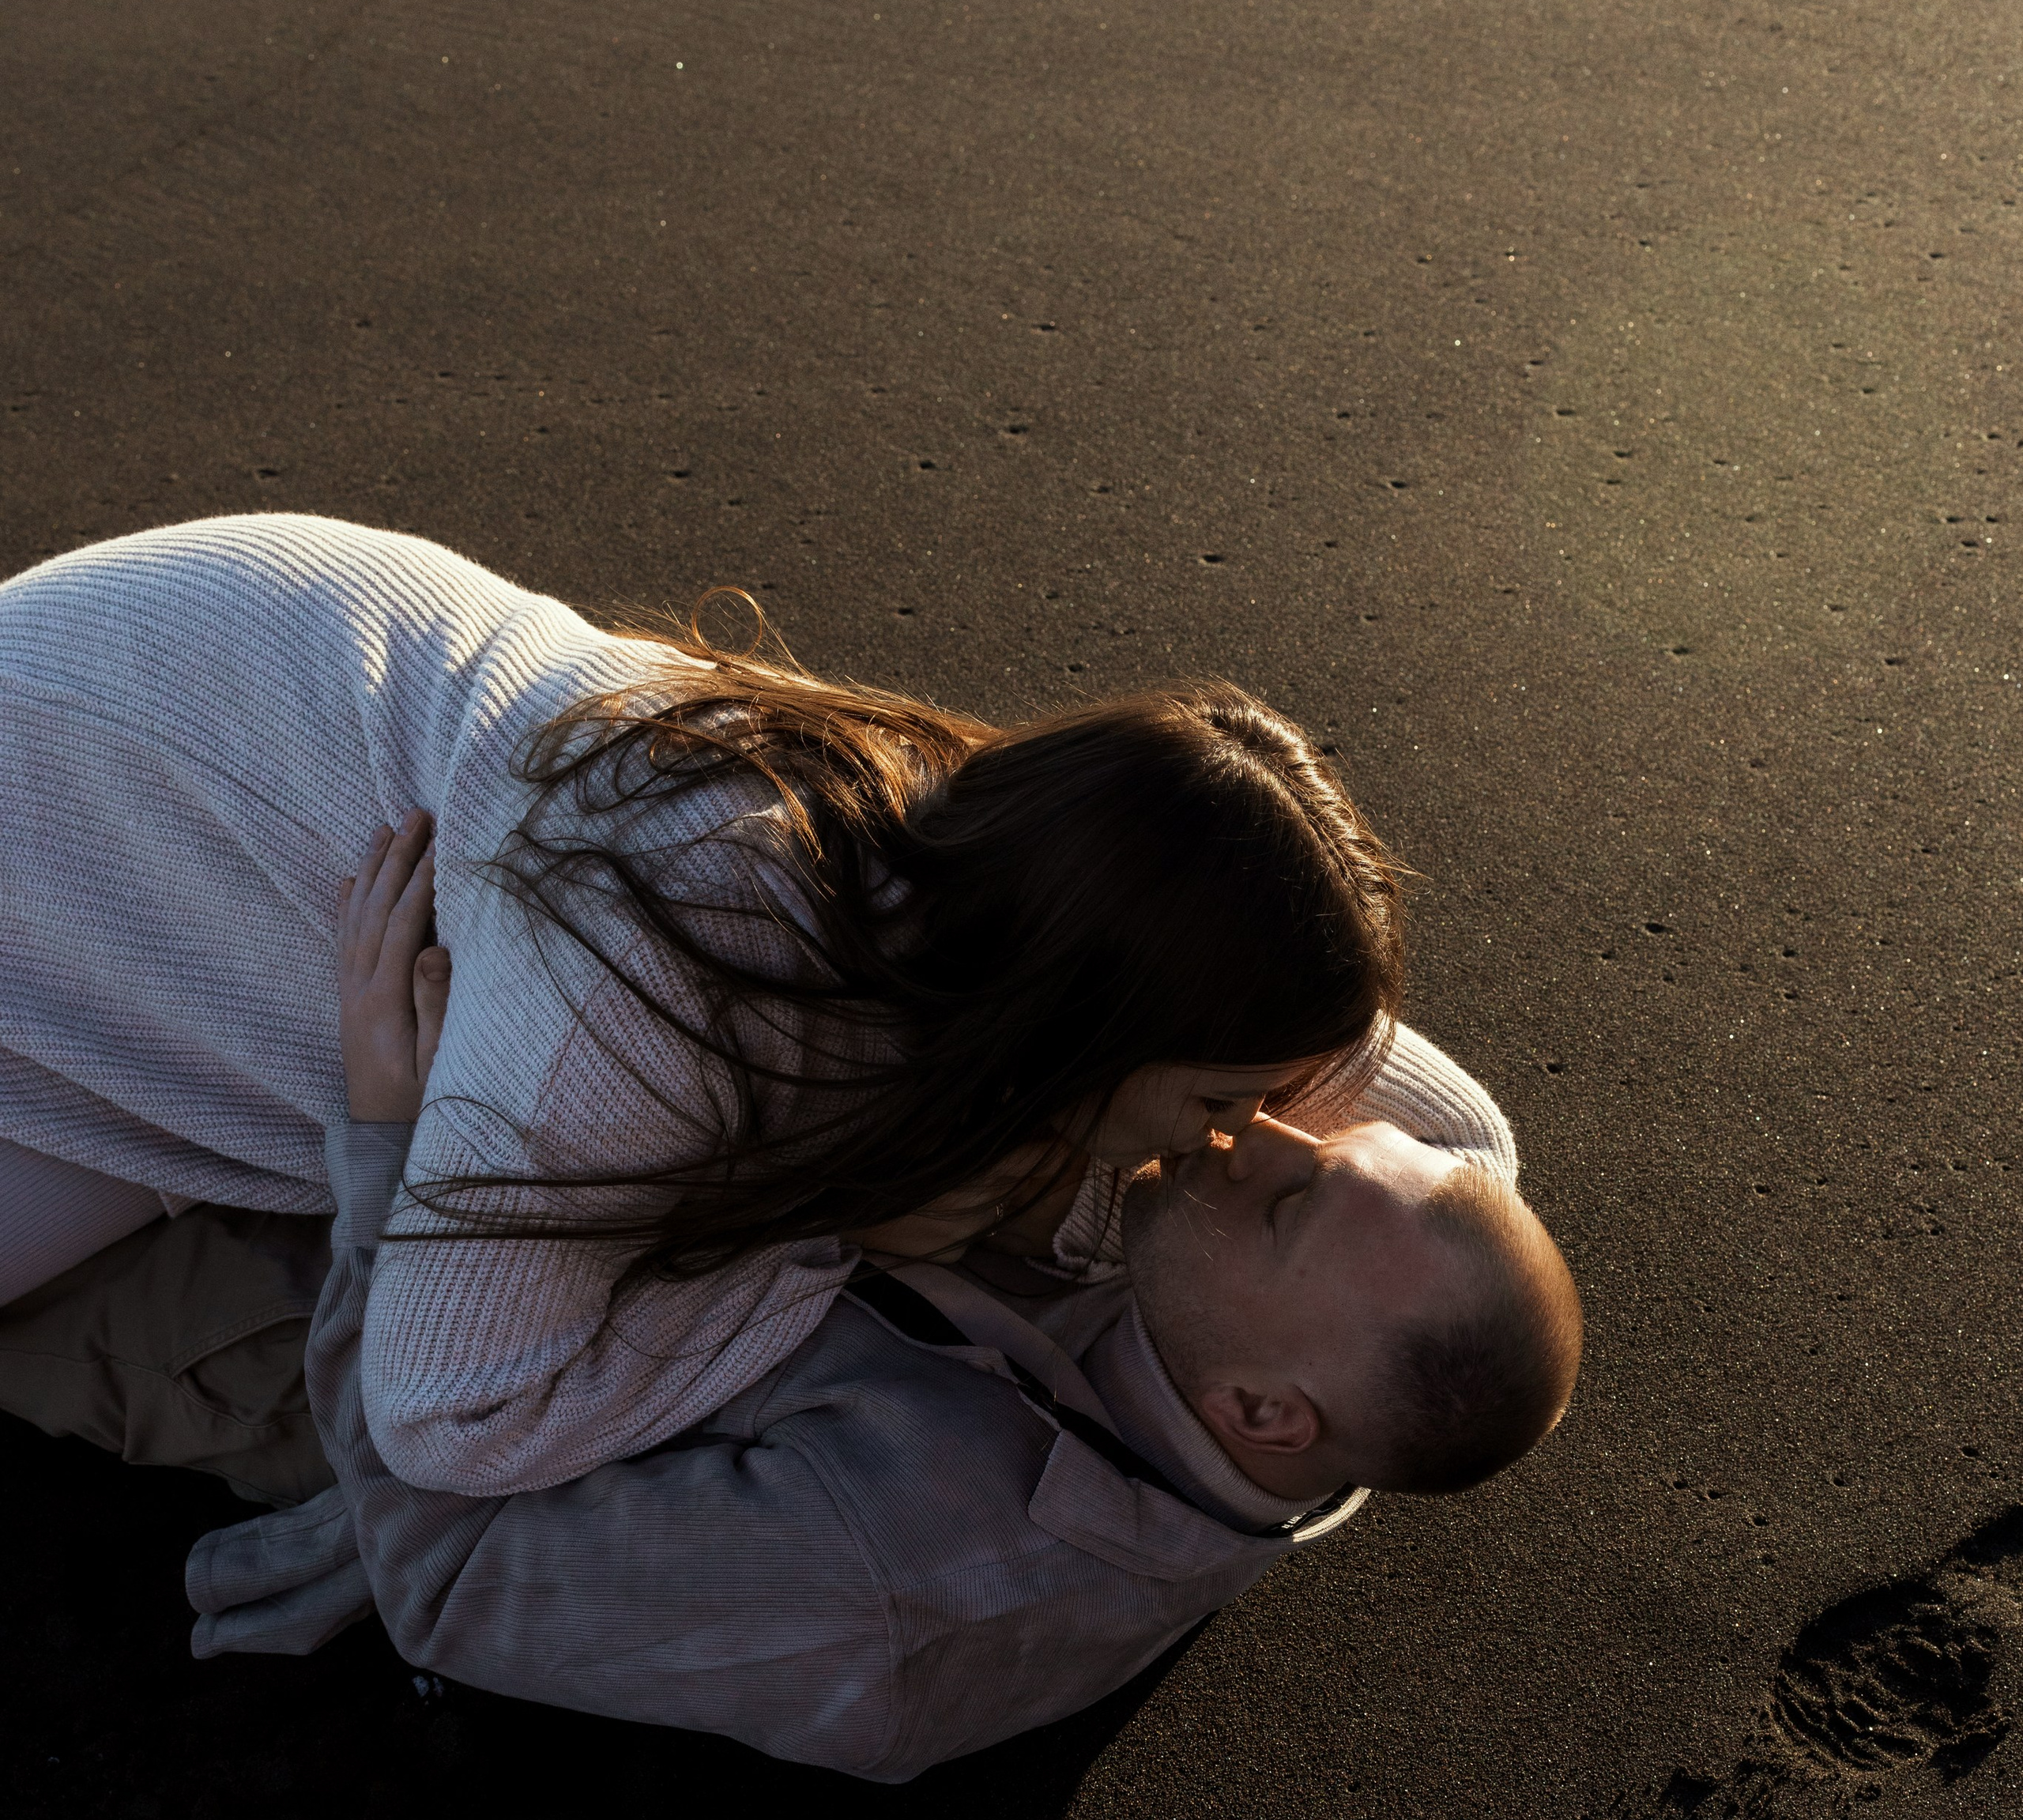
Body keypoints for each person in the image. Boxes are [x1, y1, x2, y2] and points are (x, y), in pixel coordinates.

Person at [0, 861, 1580, 1782]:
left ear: (1265, 1416)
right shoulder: (1238, 1346)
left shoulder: (897, 1576)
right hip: (609, 1212)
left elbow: (446, 1575)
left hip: (328, 1332)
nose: (1263, 1132)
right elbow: (1453, 1132)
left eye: (1292, 1198)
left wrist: (386, 1150)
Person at [0, 511, 1431, 1501]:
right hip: (81, 828)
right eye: (1224, 1100)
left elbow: (1458, 1133)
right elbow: (445, 1417)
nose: (1258, 1136)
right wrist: (837, 1230)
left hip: (225, 694)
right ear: (1095, 1020)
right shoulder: (671, 965)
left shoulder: (1027, 860)